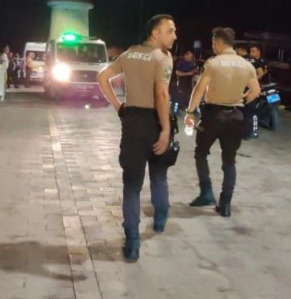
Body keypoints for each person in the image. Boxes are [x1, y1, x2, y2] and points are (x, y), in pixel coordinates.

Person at [97, 14, 177, 261]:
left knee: (131, 185)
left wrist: (118, 106)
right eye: (170, 31)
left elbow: (102, 77)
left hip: (132, 122)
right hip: (155, 121)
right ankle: (160, 218)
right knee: (159, 175)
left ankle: (132, 241)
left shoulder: (129, 53)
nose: (174, 36)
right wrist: (165, 130)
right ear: (155, 33)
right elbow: (161, 95)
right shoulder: (163, 57)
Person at [185, 27, 260, 217]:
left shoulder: (213, 63)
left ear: (217, 42)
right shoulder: (246, 65)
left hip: (213, 116)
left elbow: (199, 89)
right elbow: (255, 91)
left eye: (213, 43)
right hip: (236, 117)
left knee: (201, 153)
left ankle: (206, 193)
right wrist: (241, 100)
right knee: (229, 161)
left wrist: (190, 112)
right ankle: (225, 204)